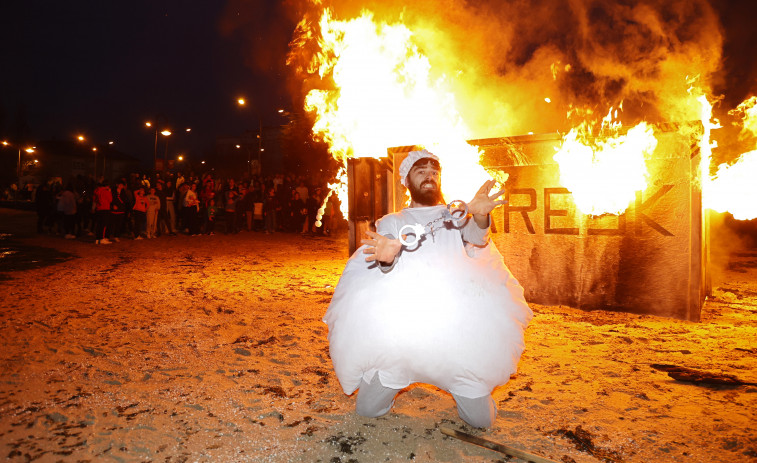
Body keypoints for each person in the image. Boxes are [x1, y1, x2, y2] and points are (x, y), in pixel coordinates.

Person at [324, 149, 532, 429]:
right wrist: (386, 257)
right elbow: (384, 260)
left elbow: (477, 238)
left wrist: (480, 216)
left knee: (481, 421)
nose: (429, 176)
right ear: (406, 181)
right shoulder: (392, 222)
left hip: (453, 336)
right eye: (421, 171)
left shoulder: (456, 216)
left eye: (434, 171)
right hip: (404, 337)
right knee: (368, 410)